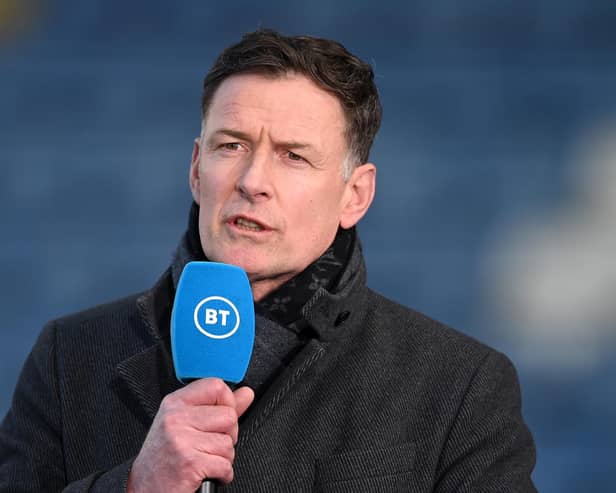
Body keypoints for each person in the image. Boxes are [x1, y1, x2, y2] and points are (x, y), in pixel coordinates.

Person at [0, 29, 537, 492]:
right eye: (231, 146)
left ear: (356, 195)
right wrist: (136, 484)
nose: (253, 181)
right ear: (195, 167)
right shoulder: (68, 356)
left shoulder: (459, 385)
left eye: (293, 156)